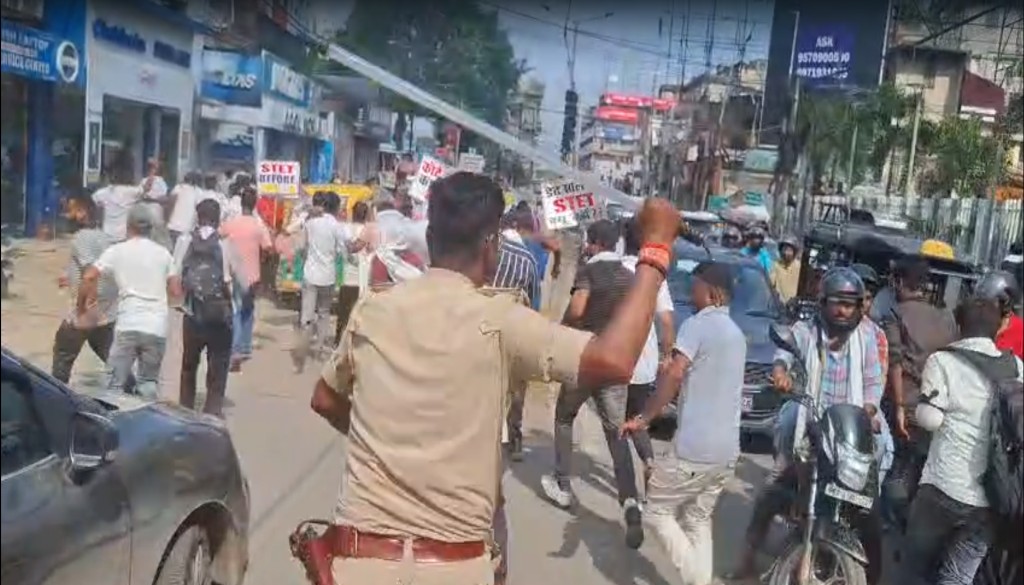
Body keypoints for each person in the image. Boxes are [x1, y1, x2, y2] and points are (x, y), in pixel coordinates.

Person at [310, 171, 680, 584]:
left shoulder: (372, 311)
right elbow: (614, 360)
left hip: (357, 563)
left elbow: (324, 399)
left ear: (431, 238)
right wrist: (657, 249)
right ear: (491, 246)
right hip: (453, 568)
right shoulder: (502, 321)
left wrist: (383, 442)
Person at [731, 268, 888, 582]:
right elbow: (783, 355)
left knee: (871, 513)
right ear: (823, 303)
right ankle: (746, 562)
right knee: (773, 494)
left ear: (860, 307)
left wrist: (867, 412)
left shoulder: (870, 337)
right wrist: (780, 371)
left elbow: (873, 383)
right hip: (813, 425)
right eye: (837, 303)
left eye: (850, 304)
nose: (843, 310)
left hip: (851, 430)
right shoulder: (805, 330)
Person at [621, 262, 744, 585]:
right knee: (696, 518)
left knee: (657, 512)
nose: (691, 293)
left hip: (696, 447)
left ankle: (696, 579)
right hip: (727, 451)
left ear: (713, 292)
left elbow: (676, 374)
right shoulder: (737, 335)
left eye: (696, 286)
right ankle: (699, 579)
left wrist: (644, 418)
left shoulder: (697, 325)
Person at [540, 219, 646, 550]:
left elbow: (577, 308)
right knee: (617, 432)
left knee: (563, 416)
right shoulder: (630, 280)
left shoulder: (589, 271)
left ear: (595, 243)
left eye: (588, 242)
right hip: (615, 365)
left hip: (585, 358)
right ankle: (630, 502)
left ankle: (562, 484)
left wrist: (563, 327)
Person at [902, 298, 1023, 585]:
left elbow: (931, 419)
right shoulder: (1016, 366)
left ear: (959, 326)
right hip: (993, 495)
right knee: (958, 576)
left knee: (915, 564)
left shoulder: (942, 361)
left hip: (944, 485)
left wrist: (916, 411)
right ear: (997, 330)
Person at [882, 257, 958, 529]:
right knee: (921, 466)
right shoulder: (945, 318)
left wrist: (900, 406)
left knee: (897, 465)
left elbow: (895, 362)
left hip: (908, 404)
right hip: (939, 408)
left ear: (900, 282)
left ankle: (892, 519)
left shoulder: (895, 313)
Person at [77, 204, 180, 397]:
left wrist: (88, 303)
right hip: (156, 327)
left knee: (113, 385)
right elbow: (175, 291)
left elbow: (89, 276)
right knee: (148, 383)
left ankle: (115, 422)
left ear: (129, 226)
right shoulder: (164, 254)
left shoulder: (117, 251)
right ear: (150, 228)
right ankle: (148, 422)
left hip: (127, 325)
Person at [173, 199, 248, 416]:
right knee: (218, 366)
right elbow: (242, 282)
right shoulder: (226, 244)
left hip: (192, 313)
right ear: (217, 219)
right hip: (220, 316)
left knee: (189, 365)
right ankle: (212, 412)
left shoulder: (185, 241)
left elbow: (176, 276)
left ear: (198, 217)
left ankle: (185, 410)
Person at [620, 217, 674, 485]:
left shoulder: (614, 269)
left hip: (614, 356)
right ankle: (649, 461)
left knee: (614, 422)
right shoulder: (654, 274)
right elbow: (666, 321)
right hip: (644, 363)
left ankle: (627, 490)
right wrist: (666, 356)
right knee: (636, 417)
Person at [491, 208, 541, 461]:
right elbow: (534, 304)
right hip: (513, 330)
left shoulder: (484, 250)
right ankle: (515, 437)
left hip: (480, 326)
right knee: (517, 386)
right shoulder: (528, 259)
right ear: (521, 228)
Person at [52, 197, 118, 383]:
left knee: (62, 357)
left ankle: (56, 399)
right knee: (110, 358)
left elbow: (90, 274)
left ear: (82, 212)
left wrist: (81, 309)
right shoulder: (104, 237)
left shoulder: (81, 238)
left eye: (70, 210)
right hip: (106, 311)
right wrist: (70, 276)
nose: (66, 215)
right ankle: (134, 391)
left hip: (87, 309)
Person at [292, 191, 348, 372]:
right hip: (328, 275)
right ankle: (319, 349)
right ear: (336, 207)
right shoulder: (337, 227)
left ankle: (301, 352)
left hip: (310, 274)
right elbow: (342, 251)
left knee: (306, 315)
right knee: (324, 313)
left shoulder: (311, 223)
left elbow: (302, 248)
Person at [219, 186, 273, 369]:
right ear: (255, 203)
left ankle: (234, 350)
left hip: (234, 274)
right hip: (252, 275)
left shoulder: (232, 223)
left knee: (235, 310)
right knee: (248, 311)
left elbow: (218, 235)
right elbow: (268, 248)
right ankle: (244, 347)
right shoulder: (259, 225)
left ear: (241, 203)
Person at [334, 200, 372, 344]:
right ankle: (354, 341)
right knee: (359, 312)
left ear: (353, 213)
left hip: (346, 276)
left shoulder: (345, 228)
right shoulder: (369, 231)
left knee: (343, 311)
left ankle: (338, 340)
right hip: (364, 277)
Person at [973, 270, 1023, 359]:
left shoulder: (1020, 332)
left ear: (1006, 303)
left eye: (986, 303)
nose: (981, 308)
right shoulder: (974, 324)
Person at [92, 169, 142, 241]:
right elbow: (146, 189)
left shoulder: (102, 193)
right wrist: (153, 172)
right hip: (124, 235)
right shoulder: (130, 191)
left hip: (107, 235)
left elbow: (94, 201)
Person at [166, 171, 202, 248]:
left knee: (171, 250)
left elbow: (170, 205)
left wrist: (166, 220)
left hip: (173, 226)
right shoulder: (198, 192)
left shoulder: (178, 188)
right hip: (187, 229)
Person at [770, 234, 802, 302]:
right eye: (784, 249)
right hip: (779, 304)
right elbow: (770, 284)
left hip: (795, 304)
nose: (786, 253)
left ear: (794, 252)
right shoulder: (776, 265)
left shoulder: (799, 267)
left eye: (789, 250)